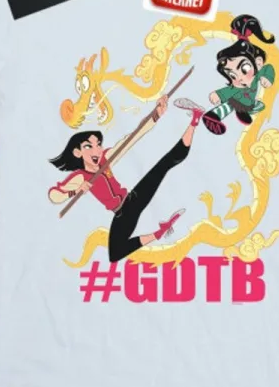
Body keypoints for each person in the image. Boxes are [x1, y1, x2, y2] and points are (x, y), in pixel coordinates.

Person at [48, 95, 205, 262]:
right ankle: (159, 233)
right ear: (77, 152)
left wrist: (155, 115)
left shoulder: (105, 159)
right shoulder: (80, 177)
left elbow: (131, 138)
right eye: (88, 146)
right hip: (122, 214)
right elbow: (54, 195)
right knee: (115, 254)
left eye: (98, 145)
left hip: (130, 202)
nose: (96, 150)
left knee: (164, 164)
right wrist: (74, 191)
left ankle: (195, 119)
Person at [203, 14, 276, 135]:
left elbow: (268, 68)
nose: (239, 79)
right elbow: (228, 90)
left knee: (252, 106)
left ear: (258, 63)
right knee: (230, 104)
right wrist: (218, 94)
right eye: (232, 75)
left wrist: (268, 77)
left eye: (244, 69)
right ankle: (213, 116)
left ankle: (242, 112)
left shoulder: (257, 74)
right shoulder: (237, 87)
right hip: (237, 98)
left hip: (248, 102)